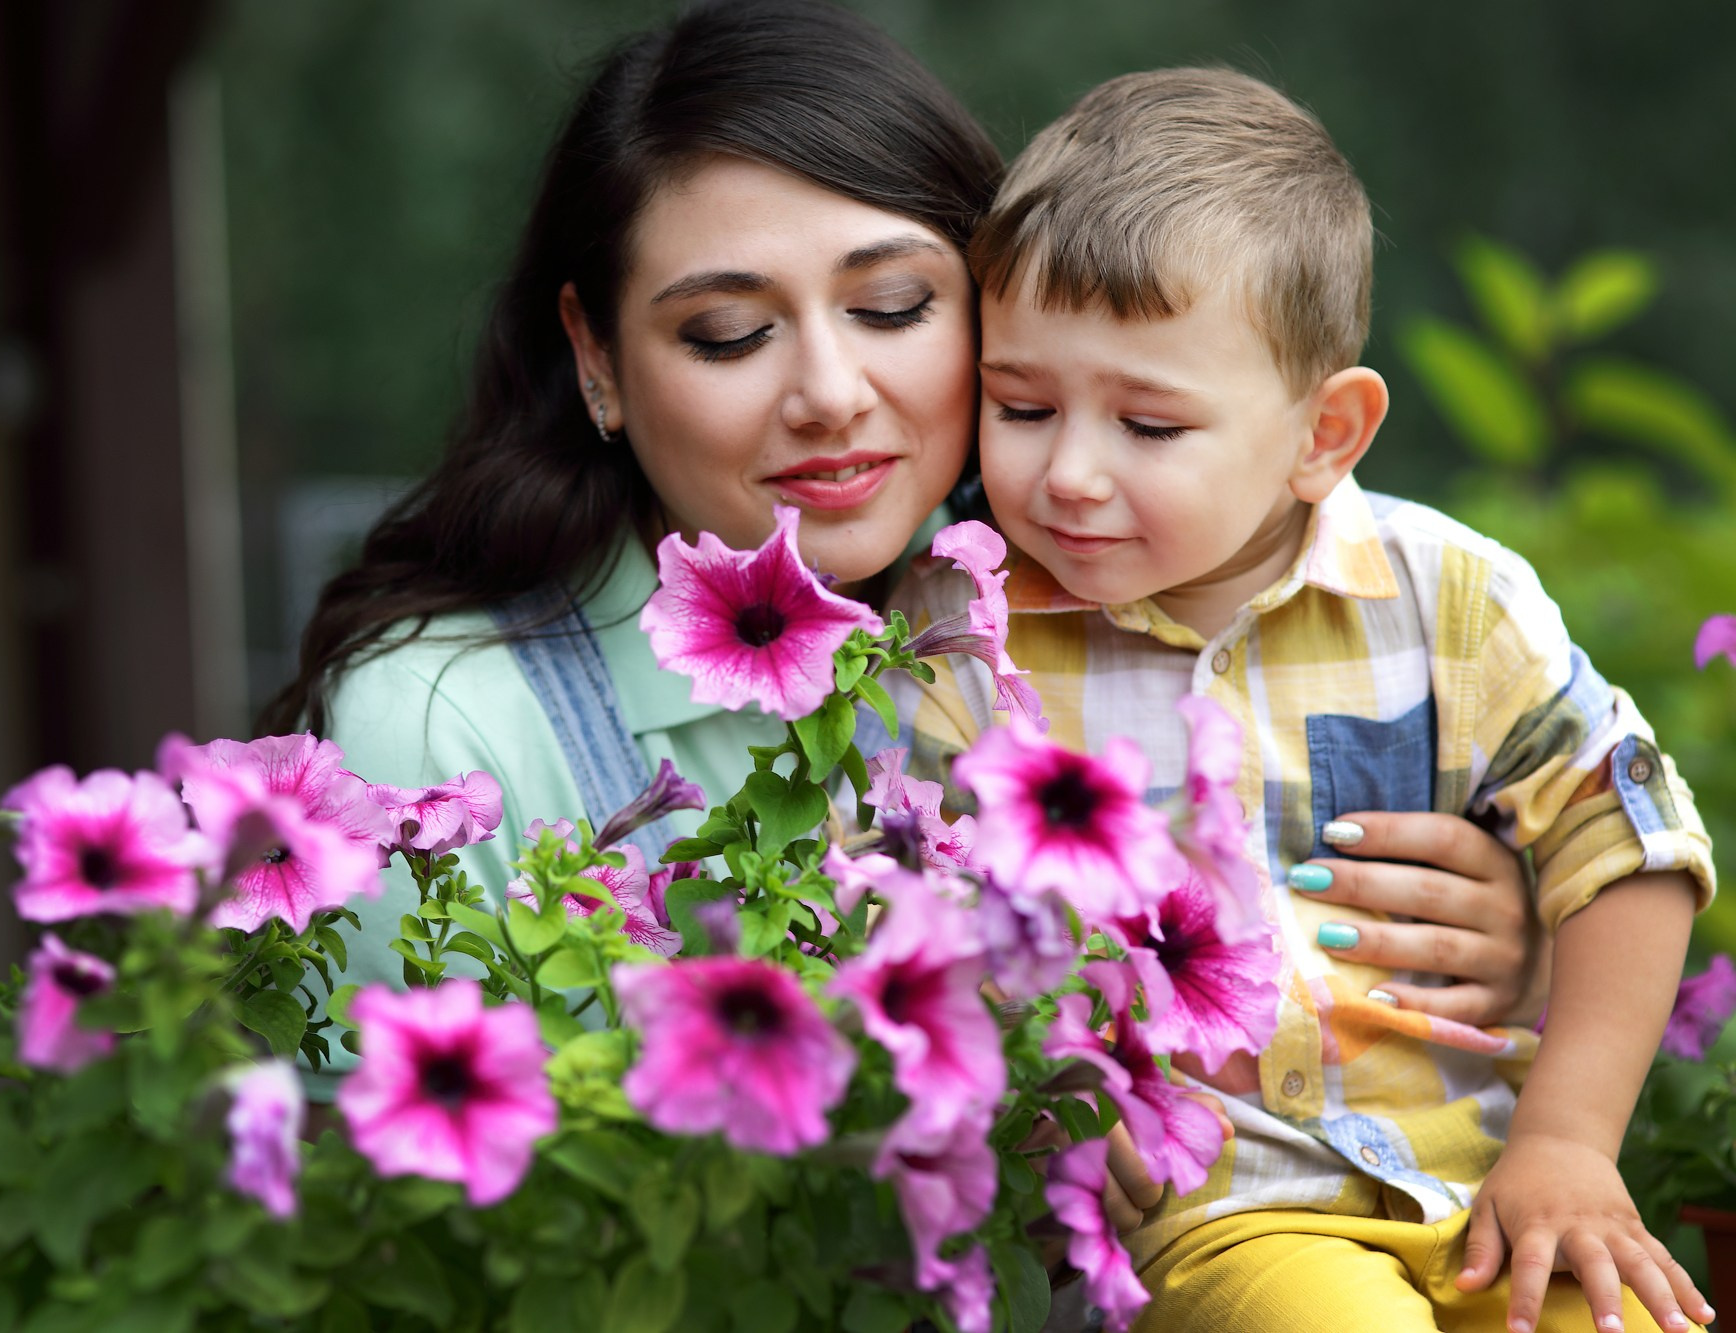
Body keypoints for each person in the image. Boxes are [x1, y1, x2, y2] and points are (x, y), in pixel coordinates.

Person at [263, 0, 1546, 1229]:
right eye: (726, 332)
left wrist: (1499, 940)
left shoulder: (1111, 593)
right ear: (596, 358)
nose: (830, 392)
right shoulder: (437, 725)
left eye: (891, 307)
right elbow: (395, 1225)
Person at [895, 66, 1718, 1331]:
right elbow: (902, 907)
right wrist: (1033, 1073)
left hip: (1477, 1186)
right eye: (1021, 406)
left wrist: (1565, 1141)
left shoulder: (1449, 598)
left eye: (1148, 426)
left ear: (1321, 434)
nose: (1067, 473)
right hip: (1215, 1217)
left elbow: (1629, 843)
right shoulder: (965, 634)